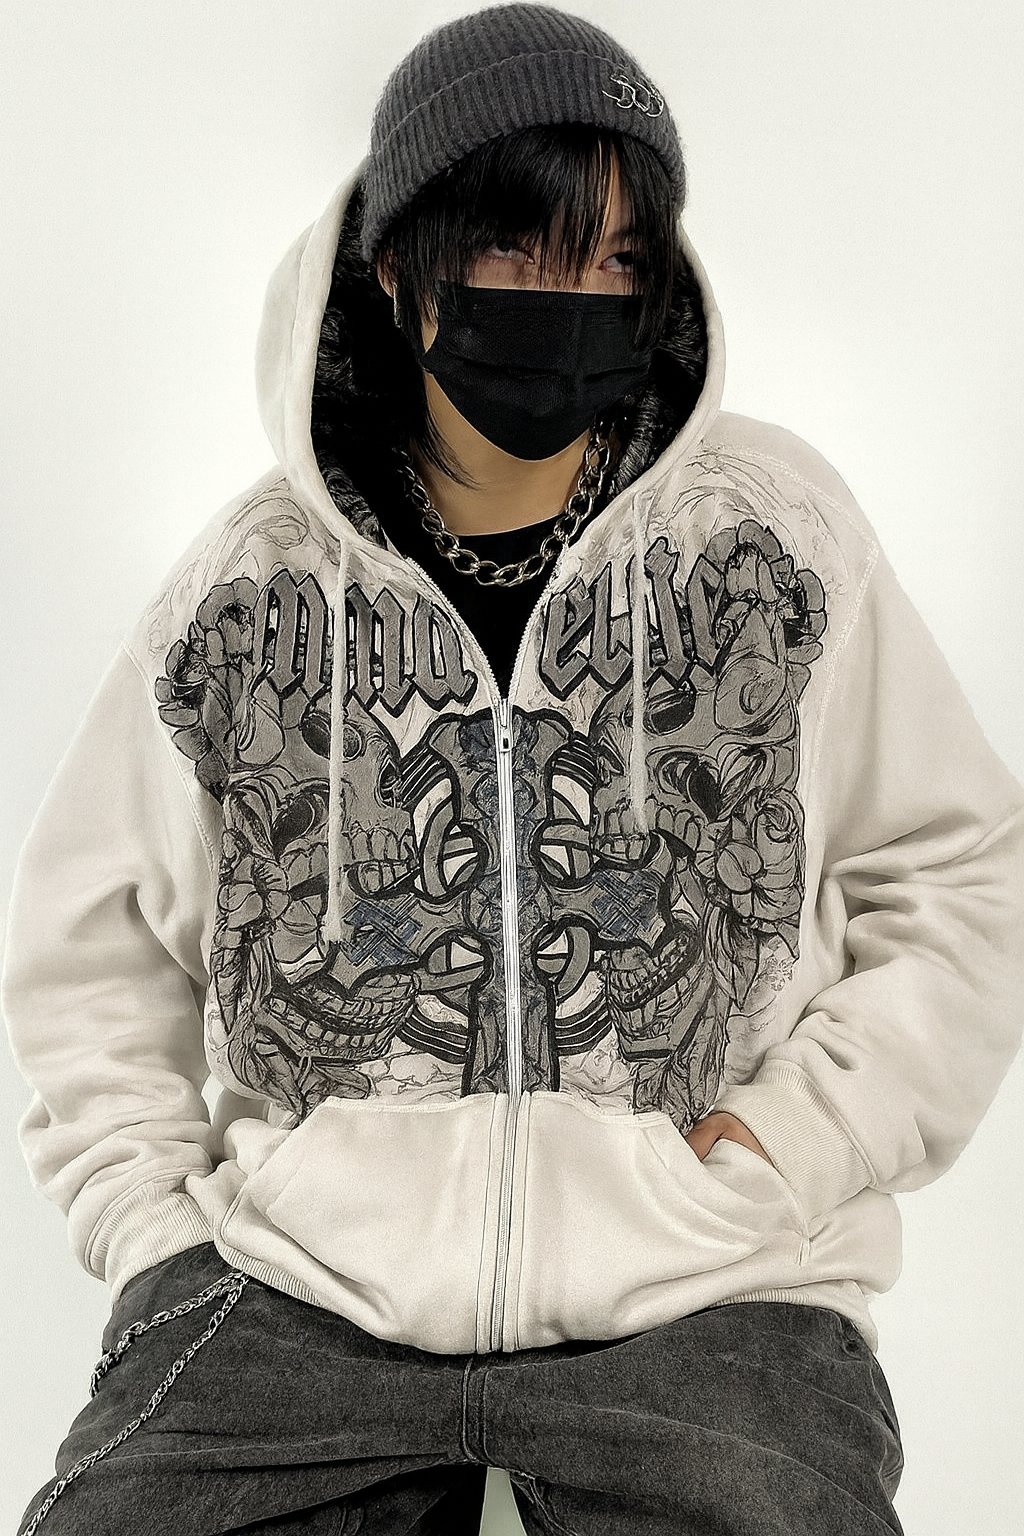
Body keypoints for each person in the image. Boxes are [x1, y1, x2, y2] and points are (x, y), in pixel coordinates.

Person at [4, 4, 1023, 1532]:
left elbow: (956, 871)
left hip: (709, 1290)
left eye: (618, 260)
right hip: (301, 1293)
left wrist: (793, 1147)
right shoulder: (248, 583)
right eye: (520, 252)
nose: (576, 302)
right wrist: (152, 1235)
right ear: (397, 264)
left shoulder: (771, 539)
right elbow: (87, 951)